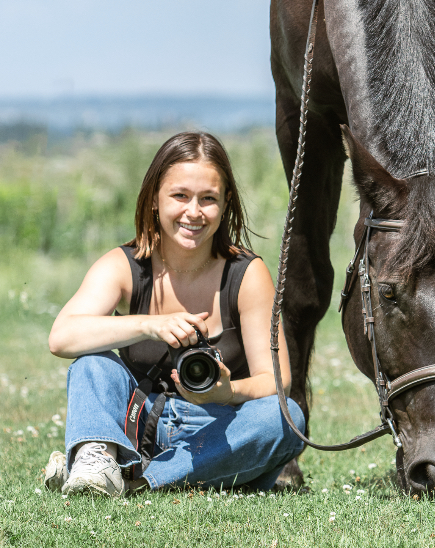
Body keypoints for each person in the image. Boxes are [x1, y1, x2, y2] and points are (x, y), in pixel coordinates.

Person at [43, 131, 304, 496]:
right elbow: (61, 338)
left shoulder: (246, 274)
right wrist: (149, 325)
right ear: (154, 199)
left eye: (208, 199)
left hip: (216, 431)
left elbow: (277, 381)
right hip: (136, 419)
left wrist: (226, 392)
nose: (193, 212)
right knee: (92, 365)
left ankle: (130, 476)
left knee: (284, 417)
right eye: (180, 196)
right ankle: (102, 457)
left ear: (226, 203)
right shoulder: (125, 265)